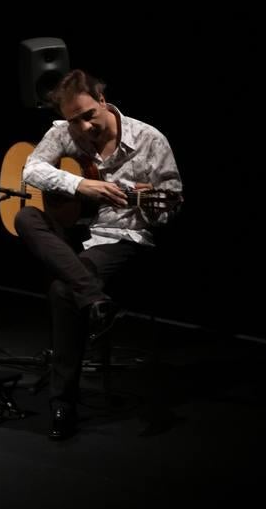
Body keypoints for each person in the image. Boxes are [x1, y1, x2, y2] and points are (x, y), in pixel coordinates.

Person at [15, 69, 183, 440]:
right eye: (75, 120)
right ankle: (93, 298)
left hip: (120, 237)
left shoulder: (149, 140)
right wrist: (80, 185)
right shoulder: (63, 132)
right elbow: (32, 169)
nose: (84, 126)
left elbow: (170, 208)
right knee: (25, 216)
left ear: (103, 101)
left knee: (62, 292)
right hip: (72, 236)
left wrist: (153, 205)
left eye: (89, 115)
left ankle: (63, 403)